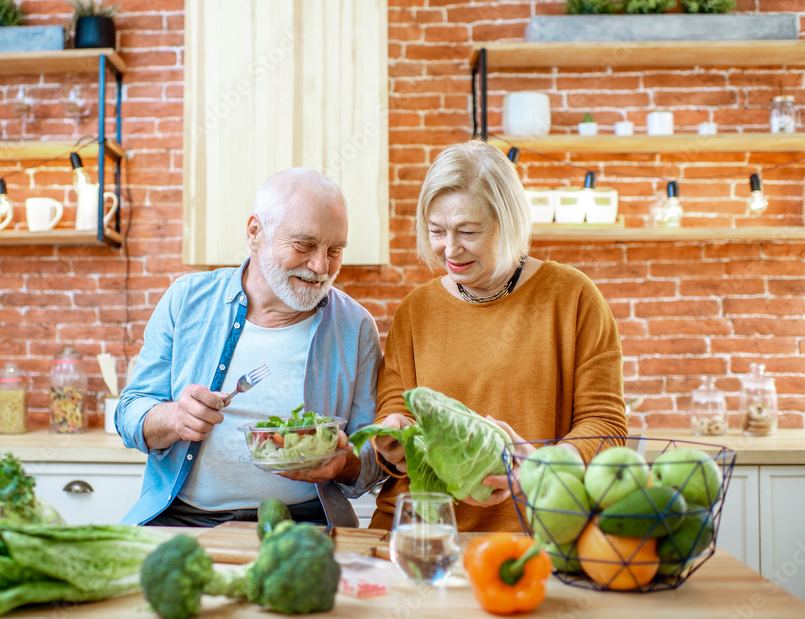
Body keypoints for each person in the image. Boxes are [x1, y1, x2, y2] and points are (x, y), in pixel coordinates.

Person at [369, 140, 628, 533]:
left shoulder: (573, 298)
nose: (450, 249)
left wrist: (543, 467)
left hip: (534, 535)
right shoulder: (415, 310)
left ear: (509, 223)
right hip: (420, 533)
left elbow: (605, 425)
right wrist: (394, 437)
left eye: (468, 231)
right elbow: (397, 407)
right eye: (436, 230)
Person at [116, 167, 383, 527]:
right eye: (304, 245)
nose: (320, 266)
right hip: (181, 518)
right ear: (255, 233)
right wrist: (175, 418)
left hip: (305, 523)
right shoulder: (186, 300)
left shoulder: (355, 327)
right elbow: (130, 413)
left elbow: (371, 461)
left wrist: (346, 462)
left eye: (334, 250)